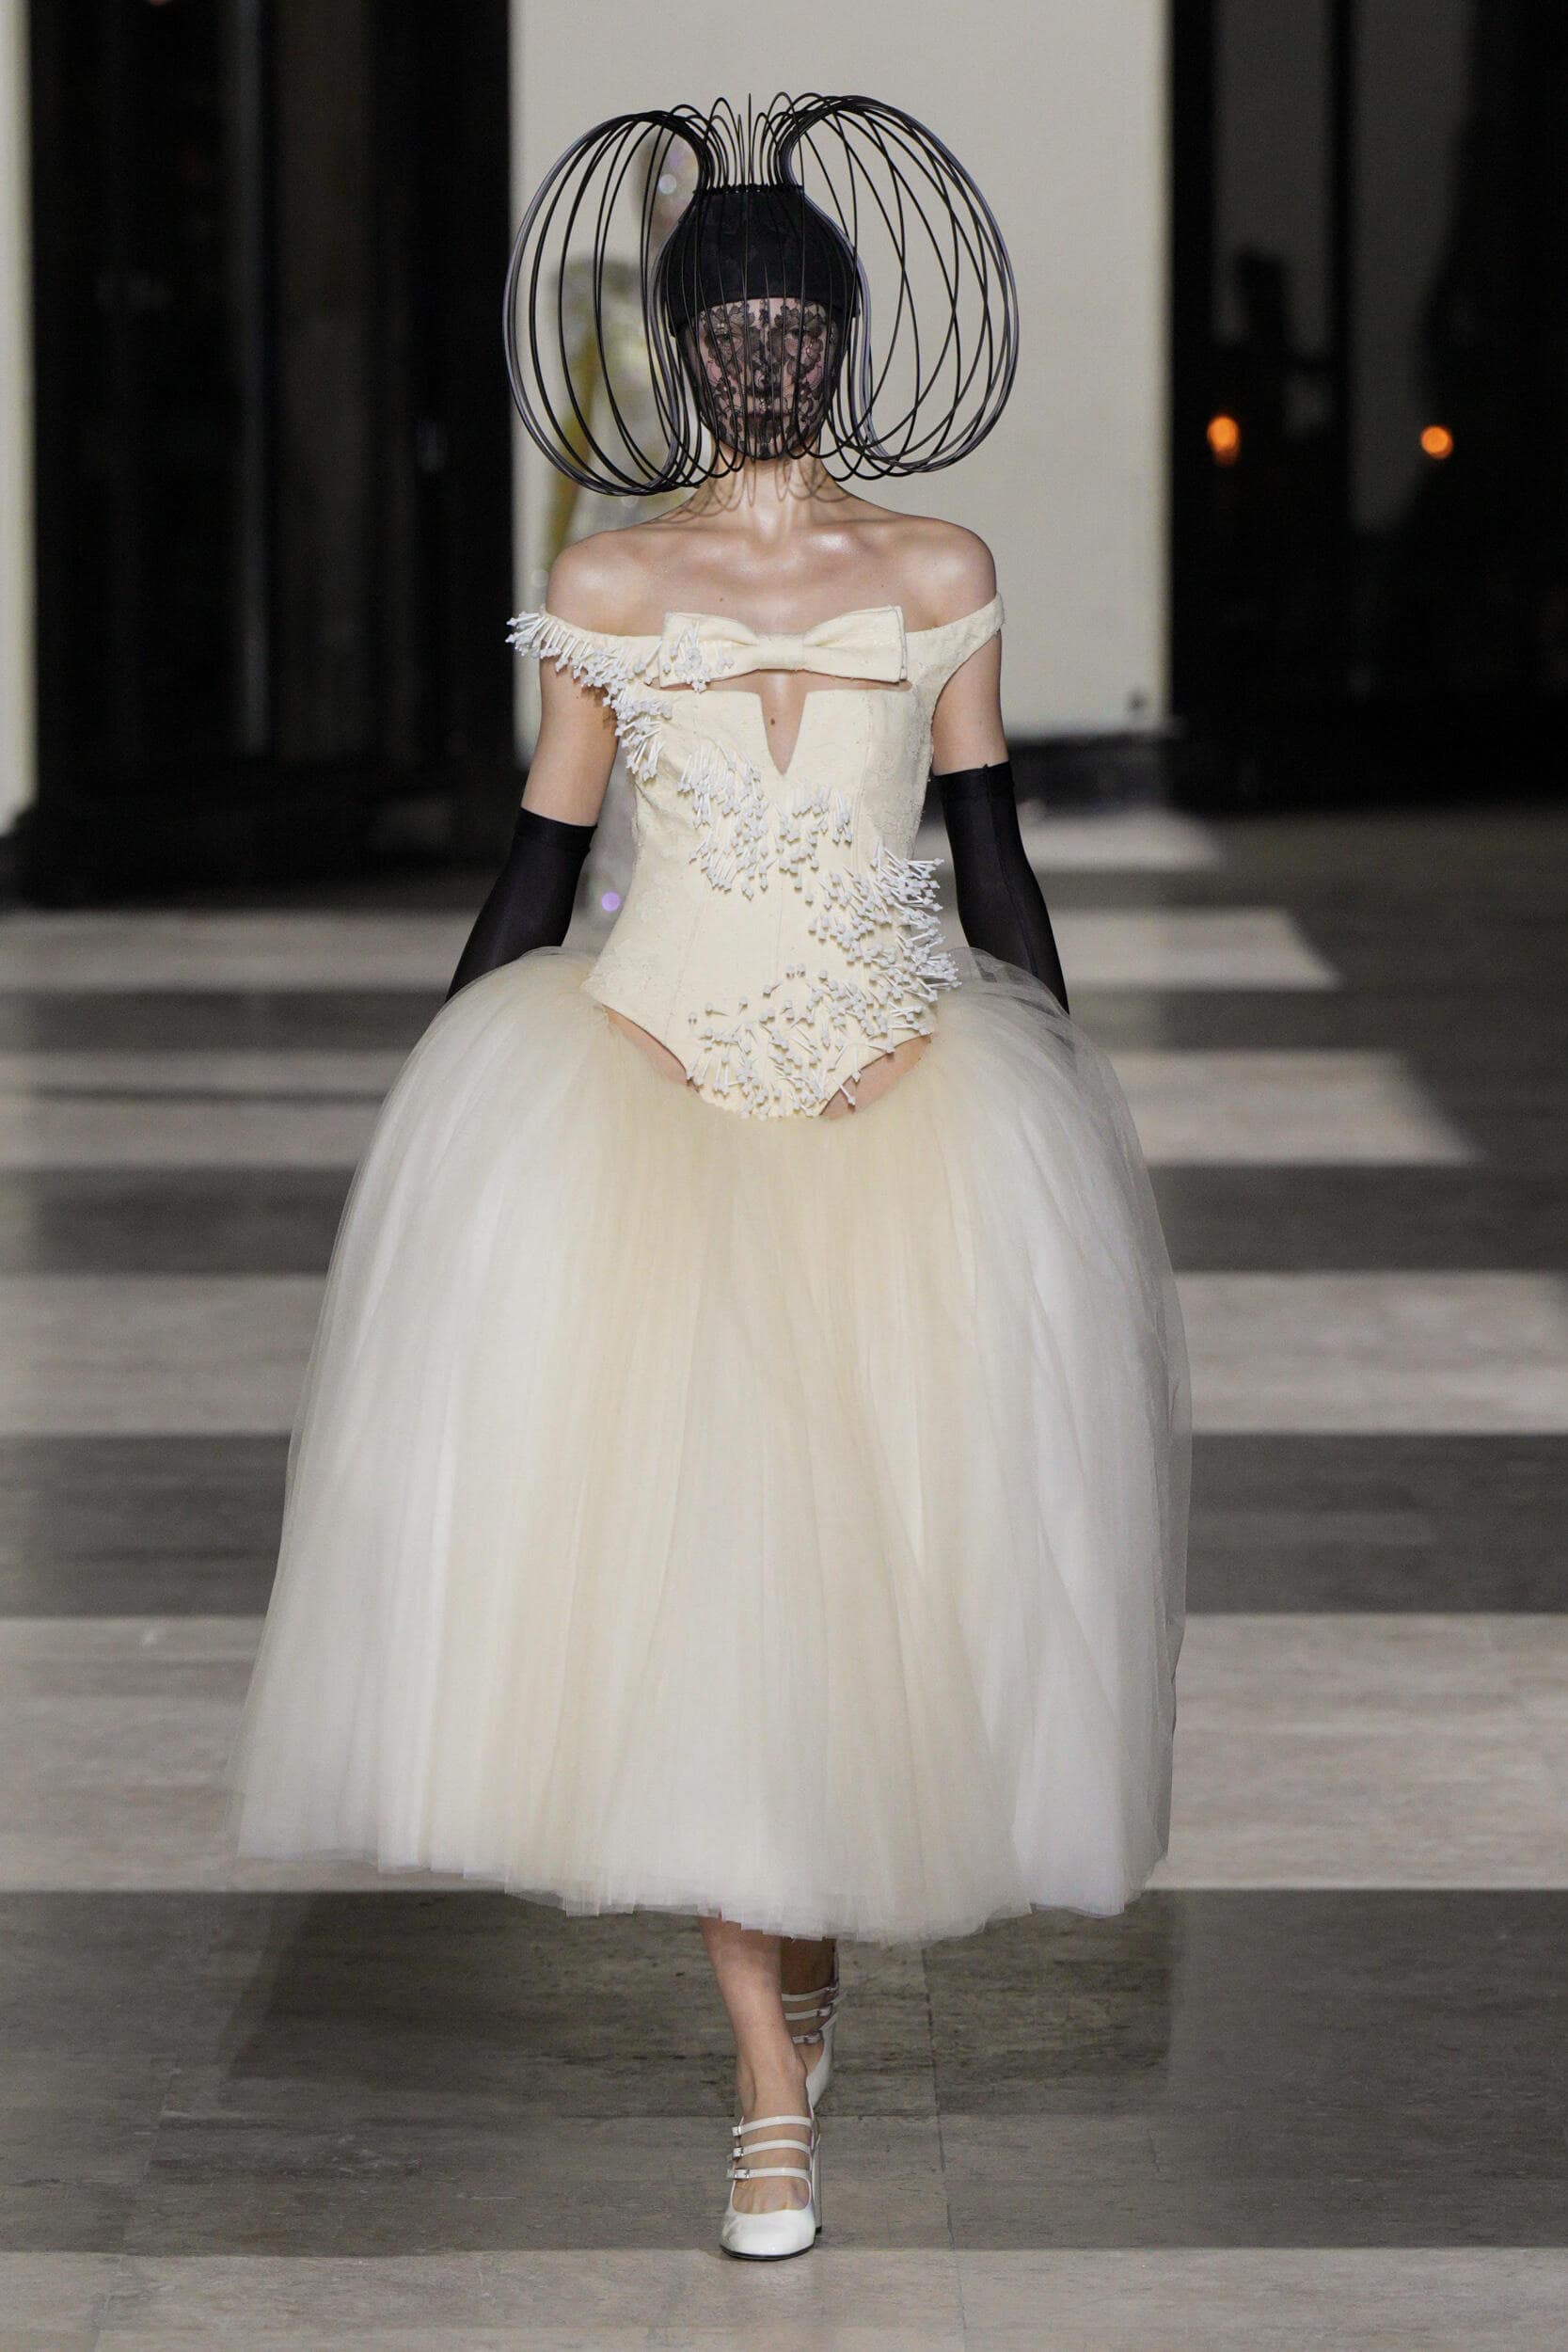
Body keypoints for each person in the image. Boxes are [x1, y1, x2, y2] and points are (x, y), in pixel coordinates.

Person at [226, 95, 1189, 2263]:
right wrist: (447, 1121)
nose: (764, 360)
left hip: (896, 1118)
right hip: (650, 1104)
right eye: (729, 330)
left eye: (795, 329)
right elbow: (542, 865)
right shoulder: (609, 585)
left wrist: (1056, 1101)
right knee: (703, 1600)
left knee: (869, 1584)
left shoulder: (937, 576)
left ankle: (804, 1963)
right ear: (680, 351)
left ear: (841, 344)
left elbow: (992, 854)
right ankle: (766, 2086)